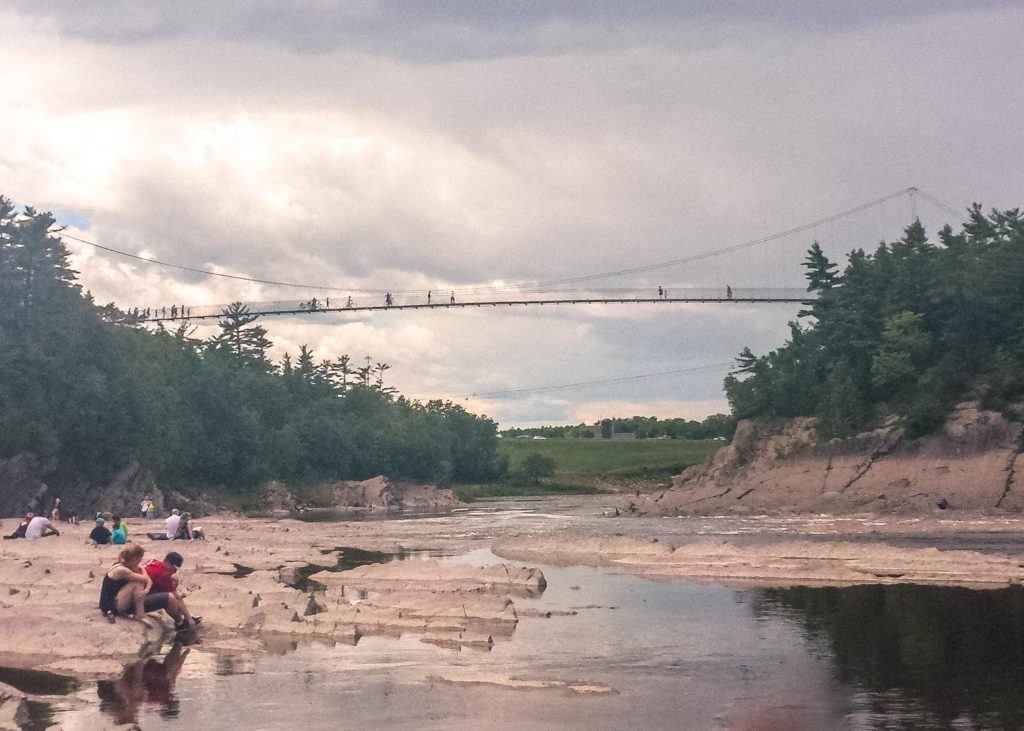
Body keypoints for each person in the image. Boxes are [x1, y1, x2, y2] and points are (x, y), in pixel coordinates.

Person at [98, 544, 195, 629]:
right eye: (139, 559)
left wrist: (146, 588)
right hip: (111, 606)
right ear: (135, 558)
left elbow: (147, 579)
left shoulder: (132, 565)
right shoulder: (122, 570)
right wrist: (189, 618)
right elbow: (145, 579)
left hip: (117, 600)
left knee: (139, 582)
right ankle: (180, 622)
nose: (140, 562)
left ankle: (182, 619)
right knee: (168, 597)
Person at [144, 551, 200, 630]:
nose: (175, 571)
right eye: (174, 569)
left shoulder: (153, 562)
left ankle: (183, 617)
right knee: (170, 598)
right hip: (135, 602)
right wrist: (189, 618)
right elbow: (177, 598)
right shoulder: (162, 574)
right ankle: (181, 622)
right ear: (167, 562)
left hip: (134, 594)